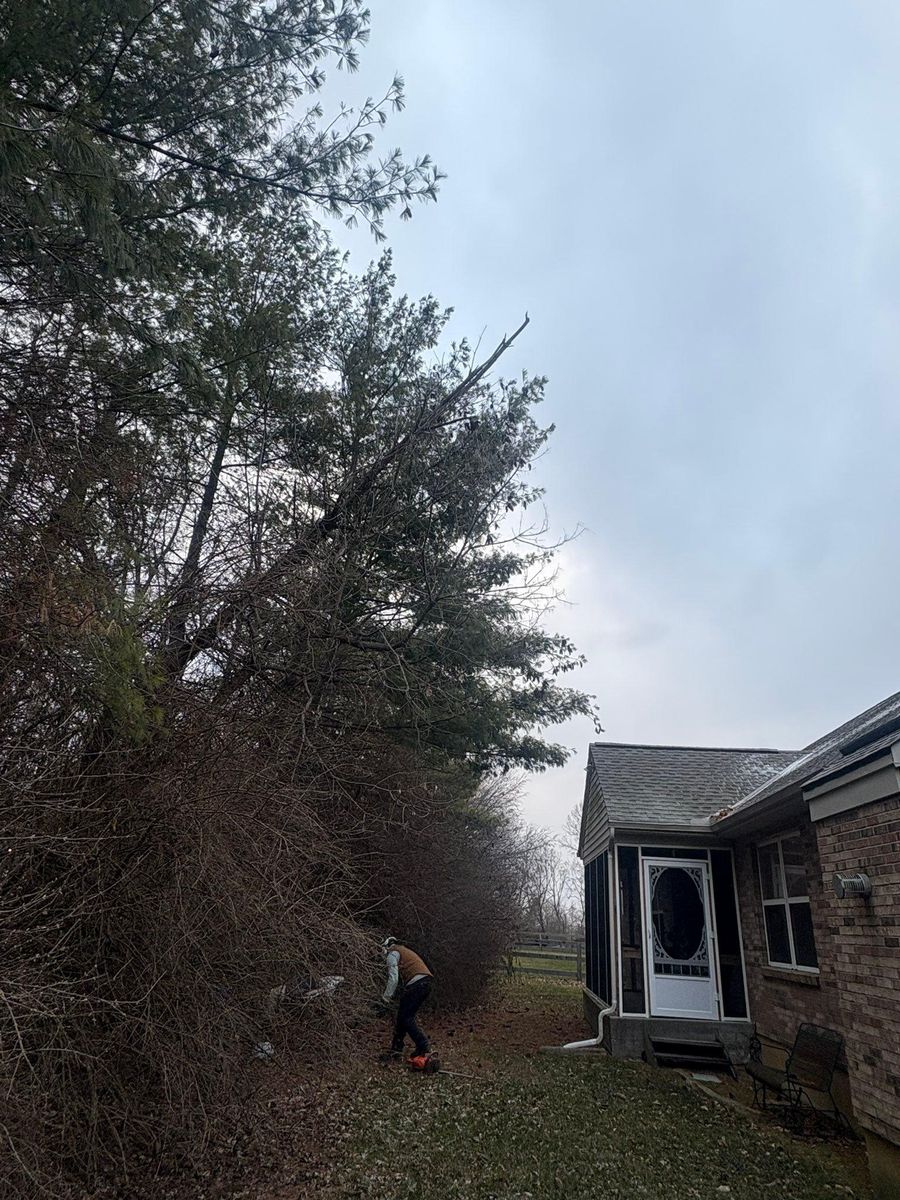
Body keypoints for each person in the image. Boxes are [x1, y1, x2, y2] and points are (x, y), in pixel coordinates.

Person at [379, 936, 434, 1061]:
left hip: (417, 984)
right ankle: (396, 1049)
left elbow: (393, 978)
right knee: (402, 1017)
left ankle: (423, 1045)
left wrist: (385, 998)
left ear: (385, 947)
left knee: (406, 1018)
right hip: (425, 983)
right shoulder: (402, 950)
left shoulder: (392, 954)